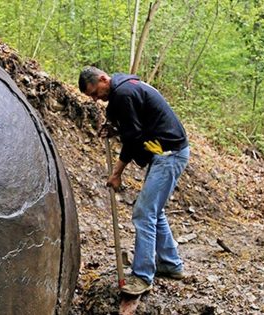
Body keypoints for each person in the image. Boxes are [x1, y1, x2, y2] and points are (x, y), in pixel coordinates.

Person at [78, 66, 190, 295]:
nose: (96, 99)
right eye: (91, 97)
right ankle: (170, 264)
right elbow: (134, 126)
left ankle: (142, 276)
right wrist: (115, 129)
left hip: (169, 154)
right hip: (166, 152)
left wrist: (117, 172)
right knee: (154, 211)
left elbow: (133, 138)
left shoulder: (124, 93)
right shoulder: (126, 89)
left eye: (94, 92)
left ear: (102, 79)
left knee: (144, 212)